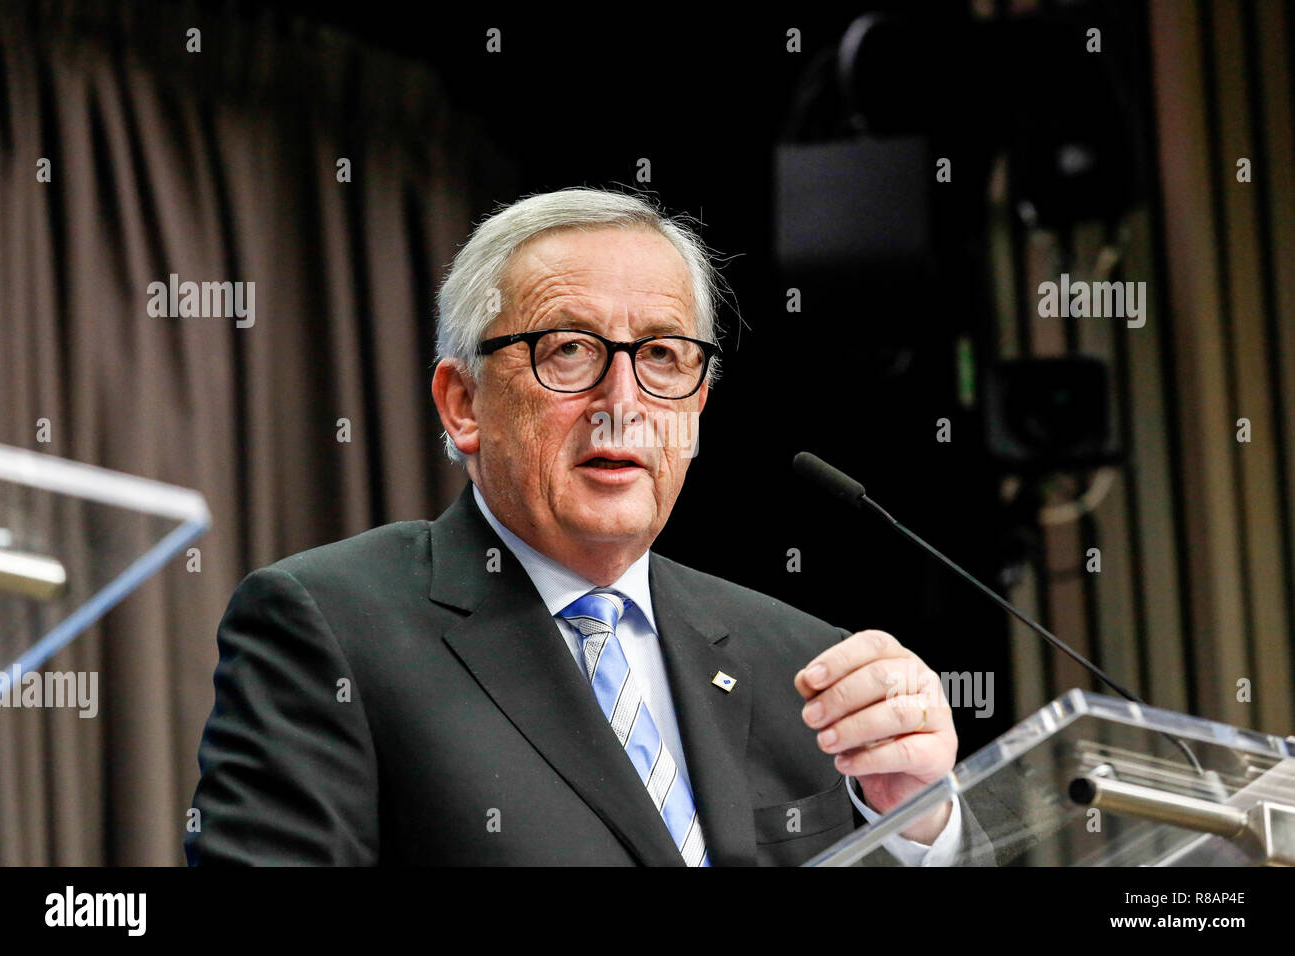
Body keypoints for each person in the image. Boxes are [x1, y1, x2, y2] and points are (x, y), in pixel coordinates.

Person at [186, 187, 992, 866]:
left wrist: (919, 821)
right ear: (463, 404)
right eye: (568, 350)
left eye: (665, 356)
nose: (624, 400)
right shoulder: (329, 626)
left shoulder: (807, 667)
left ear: (700, 406)